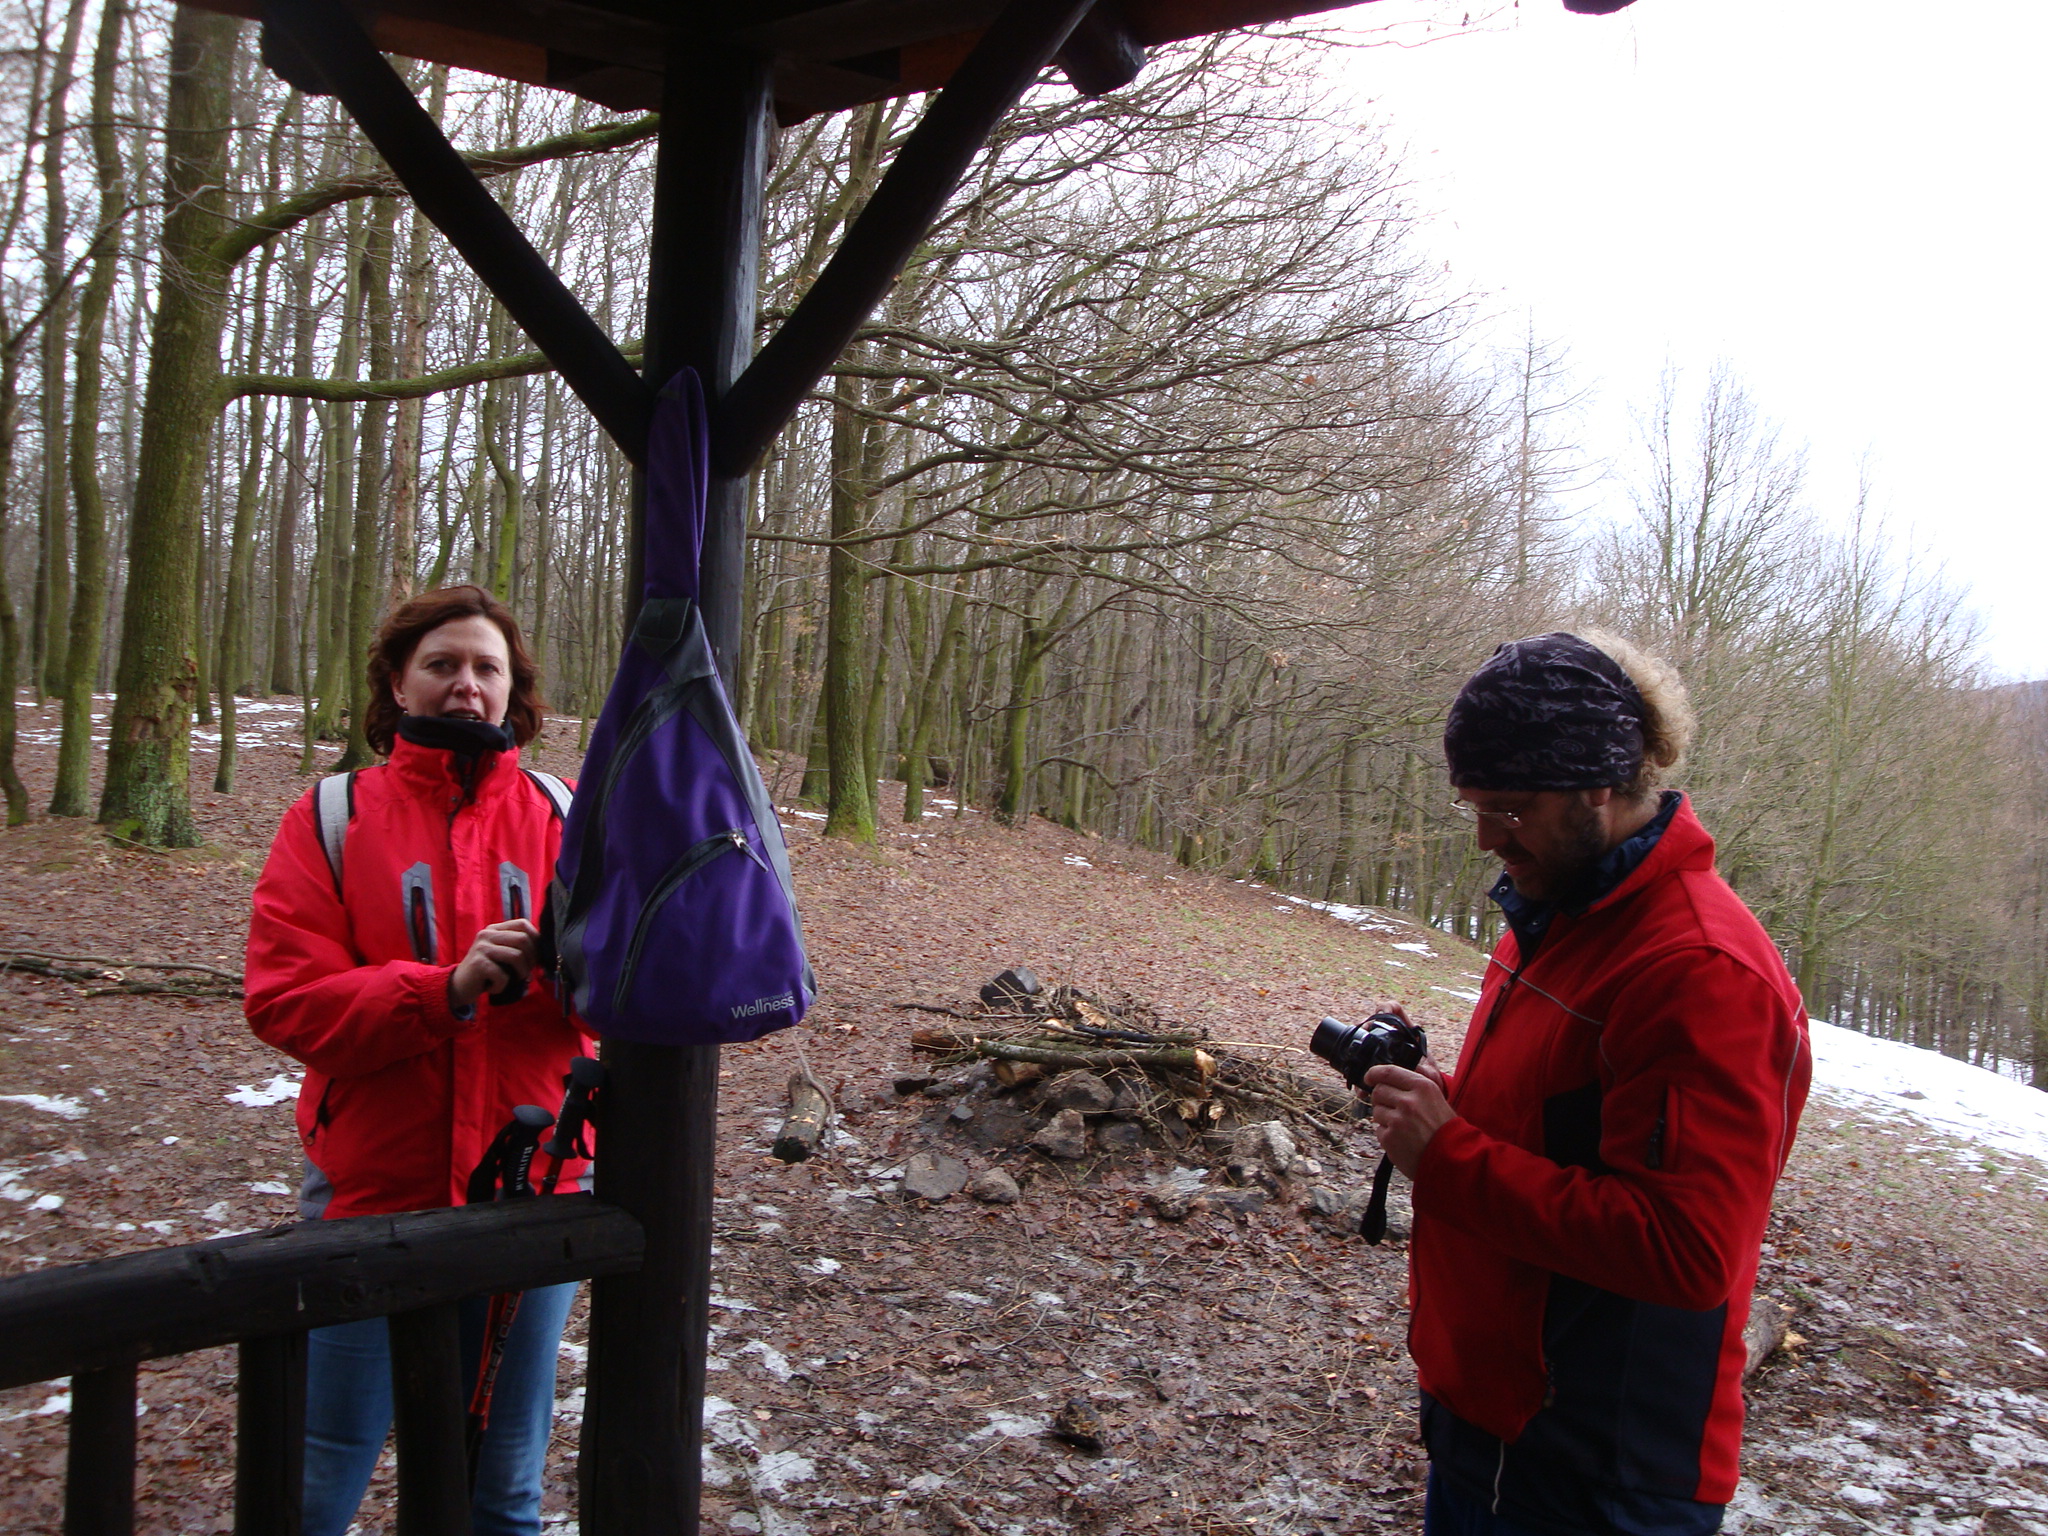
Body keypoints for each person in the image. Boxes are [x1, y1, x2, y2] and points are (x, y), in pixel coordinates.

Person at [1363, 631, 1811, 1536]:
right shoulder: (1556, 913)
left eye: (1511, 808)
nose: (1488, 837)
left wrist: (1447, 1156)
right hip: (1488, 1422)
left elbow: (1687, 1251)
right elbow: (1564, 1122)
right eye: (1473, 806)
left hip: (1595, 1475)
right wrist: (1446, 1102)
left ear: (1598, 786)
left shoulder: (1698, 970)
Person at [244, 585, 591, 1536]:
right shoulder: (332, 815)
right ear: (397, 685)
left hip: (533, 1187)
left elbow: (630, 995)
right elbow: (285, 1000)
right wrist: (444, 990)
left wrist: (576, 975)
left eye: (486, 668)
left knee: (503, 1490)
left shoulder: (566, 815)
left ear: (513, 689)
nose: (466, 685)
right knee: (319, 1478)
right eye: (441, 665)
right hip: (373, 1191)